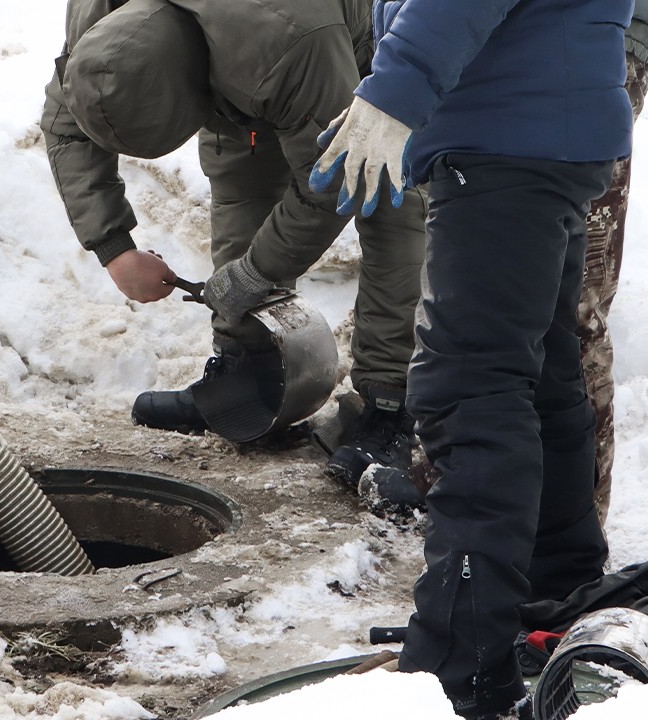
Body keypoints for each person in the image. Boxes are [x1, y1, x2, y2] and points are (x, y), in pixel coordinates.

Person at [309, 1, 633, 718]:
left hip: (507, 139)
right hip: (545, 128)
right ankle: (553, 609)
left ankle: (459, 665)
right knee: (541, 379)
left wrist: (393, 95)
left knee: (472, 391)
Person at [40, 0, 427, 481]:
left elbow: (329, 186)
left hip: (362, 45)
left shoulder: (291, 36)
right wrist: (113, 247)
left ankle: (388, 405)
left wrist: (255, 273)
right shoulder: (97, 21)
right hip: (248, 56)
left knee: (386, 195)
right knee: (241, 177)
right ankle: (249, 370)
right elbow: (65, 124)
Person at [582, 1, 648, 524]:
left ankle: (574, 527)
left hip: (597, 46)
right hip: (512, 49)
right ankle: (465, 485)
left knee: (573, 307)